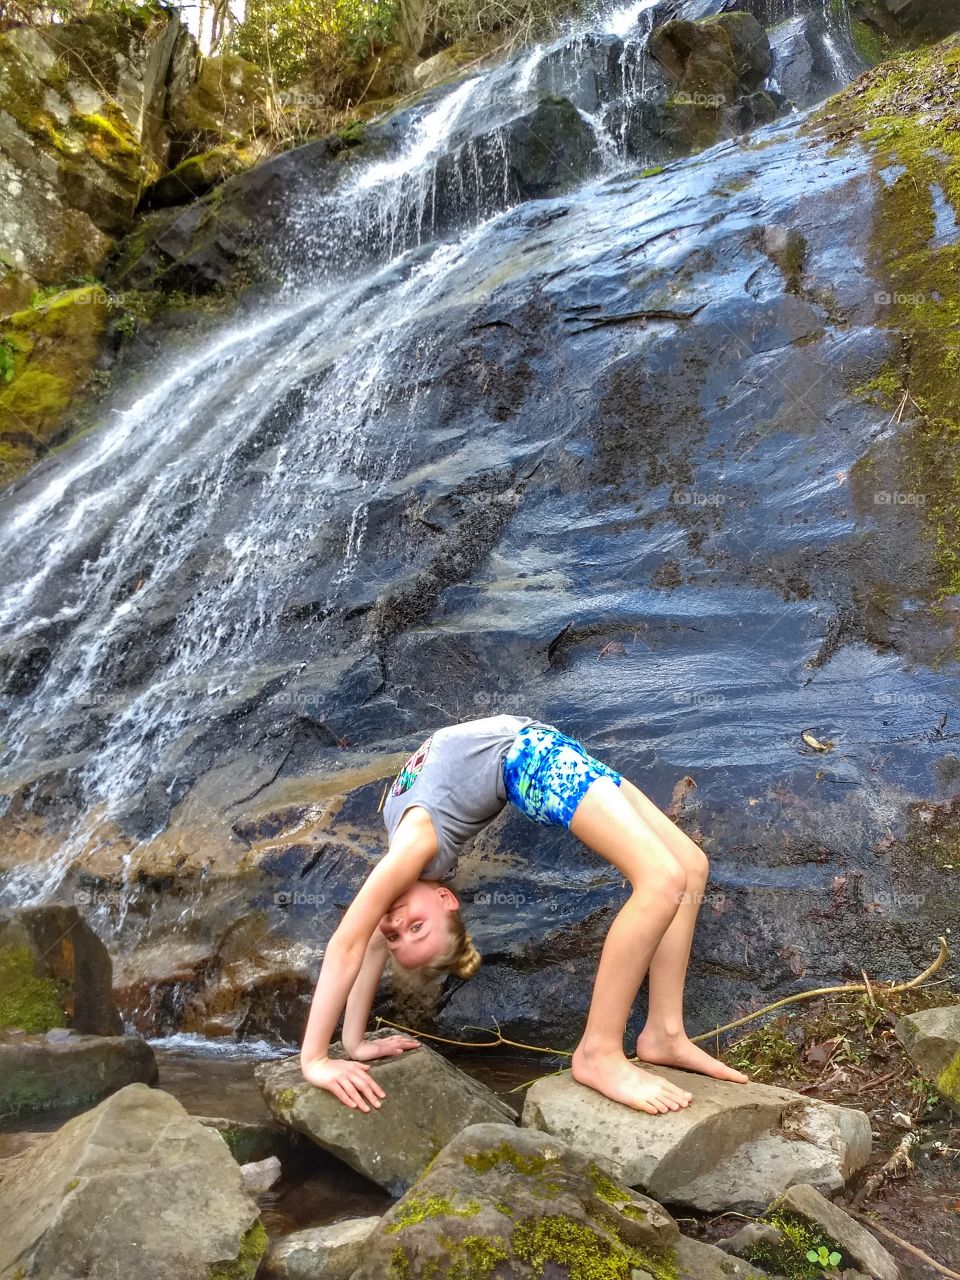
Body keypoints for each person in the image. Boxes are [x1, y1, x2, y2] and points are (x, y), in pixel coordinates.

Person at [299, 714, 749, 1115]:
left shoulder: (413, 848)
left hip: (532, 750)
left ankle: (662, 1034)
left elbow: (353, 941)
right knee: (667, 877)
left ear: (447, 901)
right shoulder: (414, 861)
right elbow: (369, 939)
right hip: (534, 753)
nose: (394, 923)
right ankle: (601, 1051)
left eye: (407, 929)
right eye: (406, 931)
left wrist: (320, 1056)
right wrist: (352, 1044)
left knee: (686, 868)